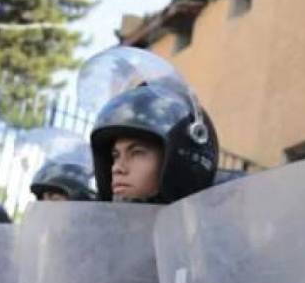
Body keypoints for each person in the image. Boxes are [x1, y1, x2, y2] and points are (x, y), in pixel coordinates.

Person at [90, 82, 218, 204]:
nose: (117, 168)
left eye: (136, 153)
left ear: (178, 164)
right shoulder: (97, 225)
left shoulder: (217, 225)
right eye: (115, 156)